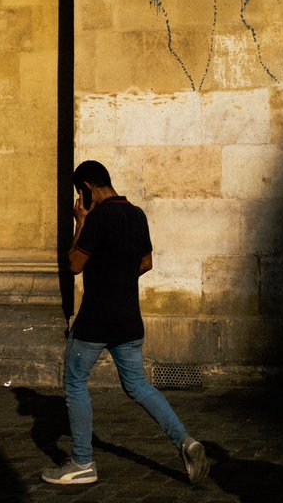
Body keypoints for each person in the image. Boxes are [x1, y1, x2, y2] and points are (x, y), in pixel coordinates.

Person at [41, 160, 208, 486]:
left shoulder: (98, 218)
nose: (80, 200)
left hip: (95, 320)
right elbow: (145, 262)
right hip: (129, 319)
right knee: (138, 386)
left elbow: (74, 264)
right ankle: (185, 441)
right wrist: (119, 277)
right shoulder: (136, 214)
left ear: (87, 188)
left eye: (80, 194)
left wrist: (80, 222)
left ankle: (82, 462)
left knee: (75, 382)